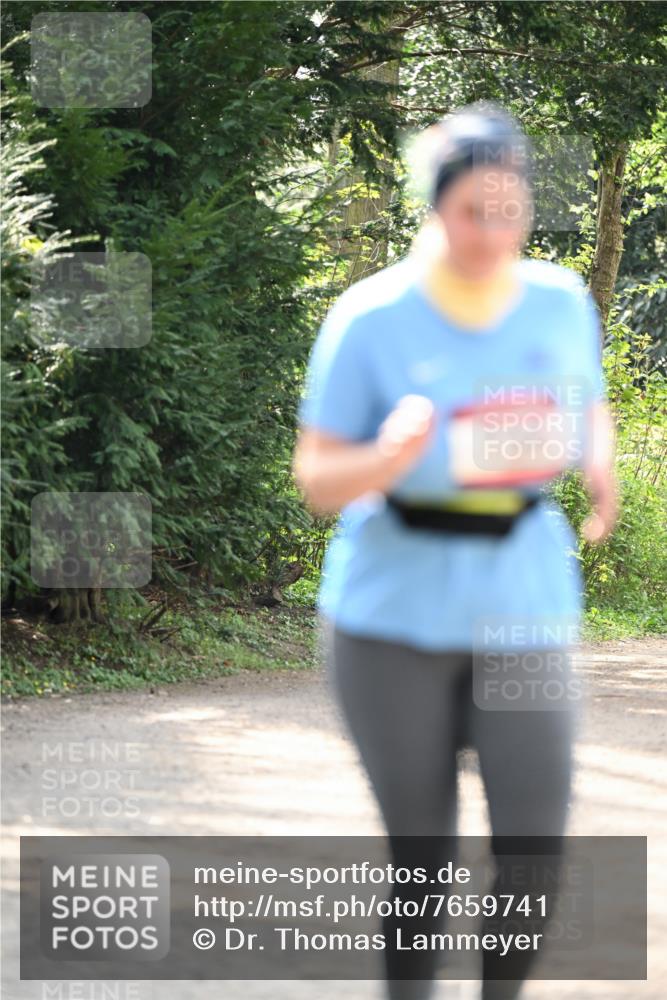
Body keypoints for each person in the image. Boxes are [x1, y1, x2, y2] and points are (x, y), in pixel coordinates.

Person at [292, 101, 618, 1000]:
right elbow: (318, 477)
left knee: (531, 850)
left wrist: (599, 465)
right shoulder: (371, 318)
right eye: (475, 209)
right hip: (390, 617)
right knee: (422, 857)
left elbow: (584, 401)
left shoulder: (556, 300)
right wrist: (382, 457)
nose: (492, 231)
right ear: (435, 206)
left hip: (521, 604)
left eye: (510, 210)